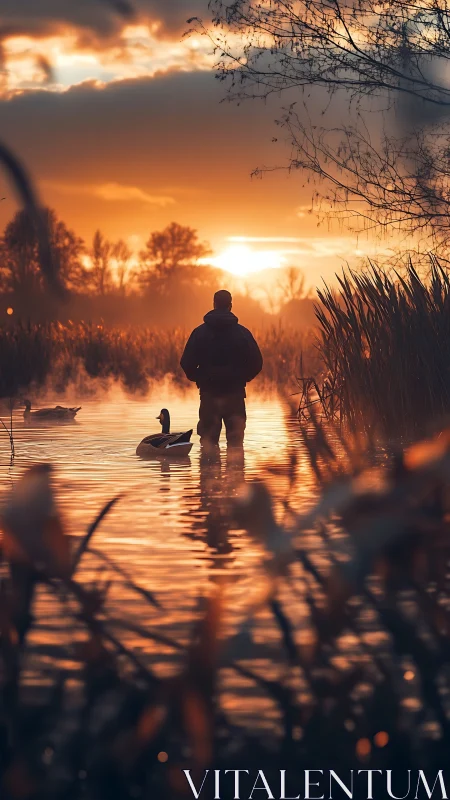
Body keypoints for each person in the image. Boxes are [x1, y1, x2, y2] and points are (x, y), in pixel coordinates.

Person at [180, 289, 263, 447]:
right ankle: (235, 472)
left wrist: (201, 378)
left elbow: (186, 363)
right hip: (235, 396)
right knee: (236, 446)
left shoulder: (199, 333)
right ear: (230, 306)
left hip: (209, 396)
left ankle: (209, 470)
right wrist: (241, 378)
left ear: (214, 304)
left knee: (208, 446)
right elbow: (257, 363)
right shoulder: (242, 333)